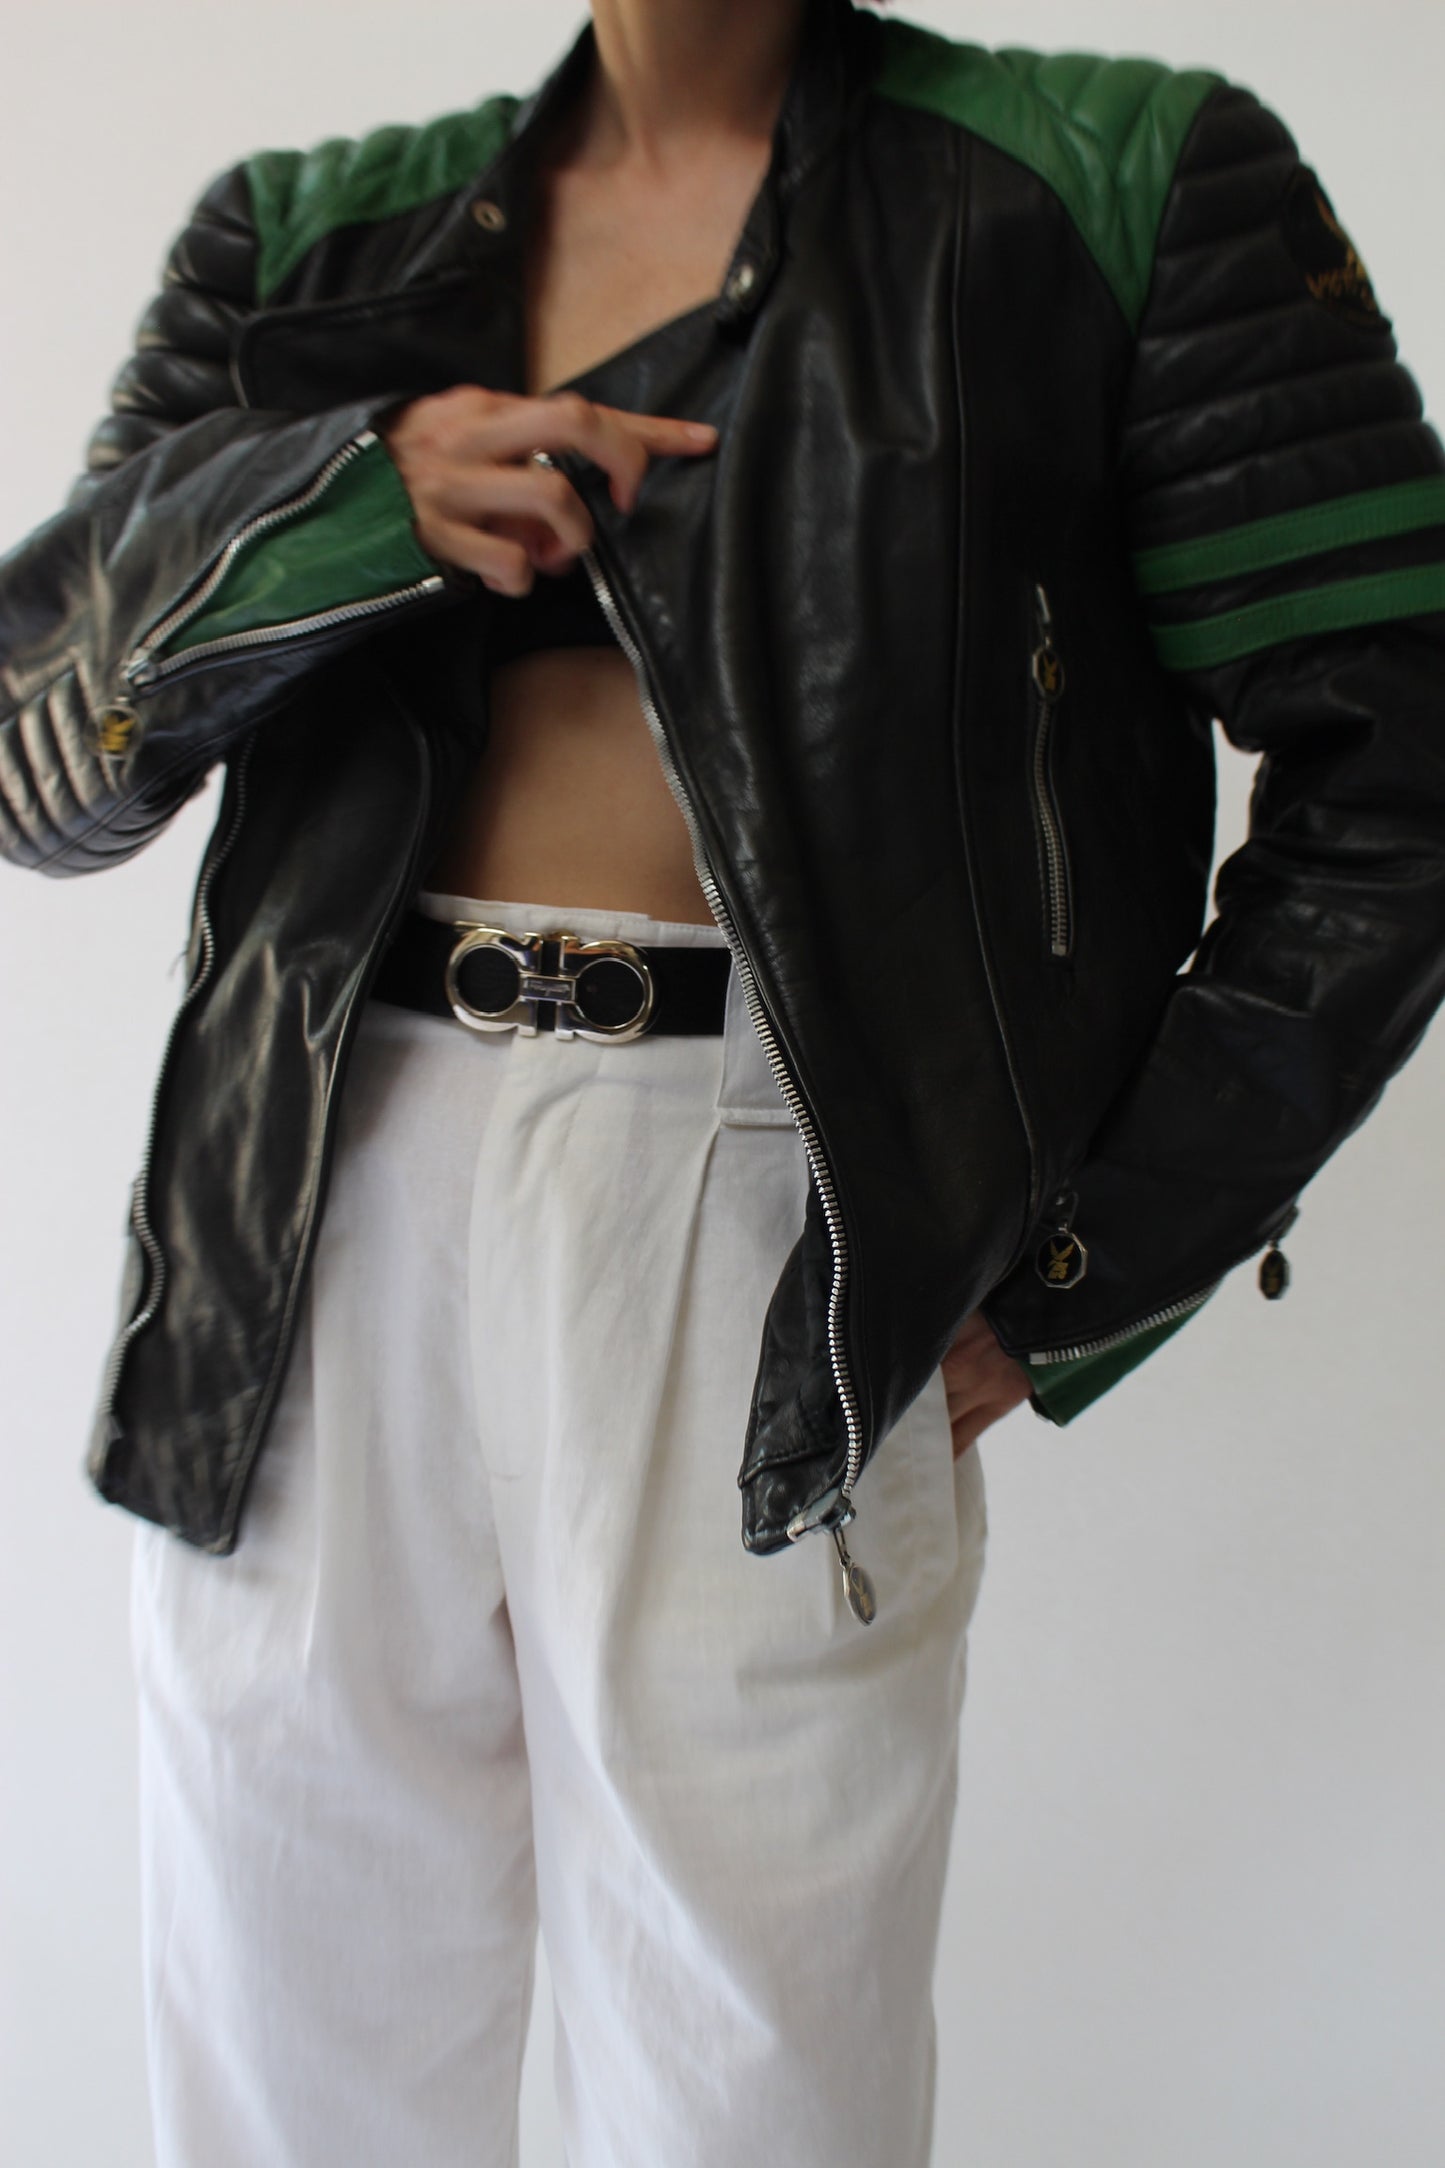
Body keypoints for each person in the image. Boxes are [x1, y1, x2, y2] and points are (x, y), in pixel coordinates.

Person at [2, 0, 1442, 2161]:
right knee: (292, 2060)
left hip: (779, 1199)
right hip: (303, 1195)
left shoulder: (1111, 183)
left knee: (756, 2086)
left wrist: (1085, 1266)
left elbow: (1404, 766)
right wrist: (343, 507)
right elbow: (38, 755)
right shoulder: (304, 237)